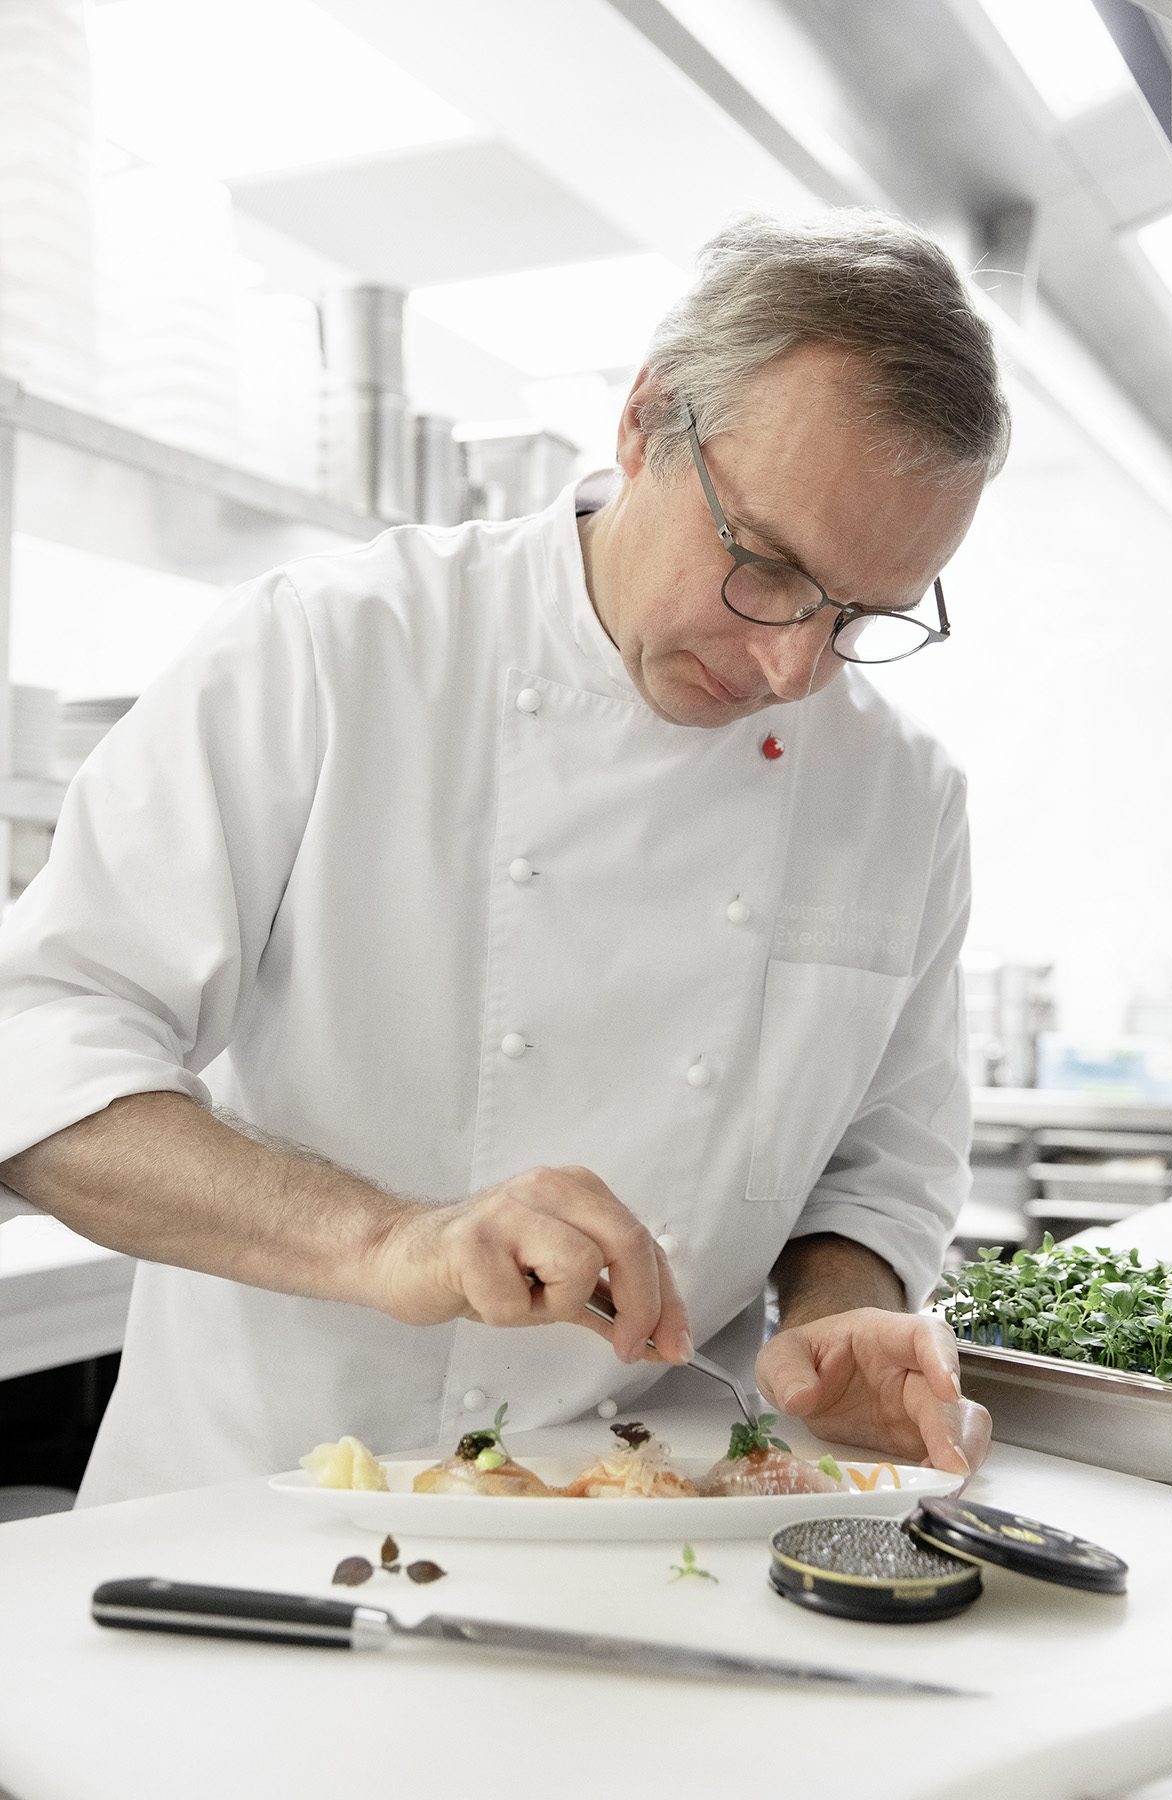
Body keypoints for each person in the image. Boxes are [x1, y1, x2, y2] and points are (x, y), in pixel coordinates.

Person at [0, 209, 1008, 1504]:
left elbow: (883, 1170)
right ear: (647, 421)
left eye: (863, 616)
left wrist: (837, 1310)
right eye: (762, 565)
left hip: (632, 1525)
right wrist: (390, 1242)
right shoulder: (334, 653)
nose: (791, 668)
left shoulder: (902, 799)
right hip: (252, 1523)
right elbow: (37, 1056)